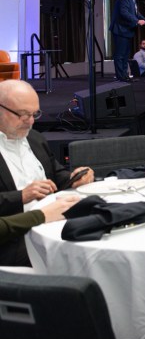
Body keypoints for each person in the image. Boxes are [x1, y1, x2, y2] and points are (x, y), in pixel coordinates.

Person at [0, 80, 94, 265]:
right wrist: (21, 196)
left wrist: (75, 178)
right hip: (14, 238)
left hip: (53, 221)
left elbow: (56, 175)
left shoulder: (34, 138)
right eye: (22, 114)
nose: (30, 121)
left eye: (34, 114)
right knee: (82, 257)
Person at [110, 0, 145, 82]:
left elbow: (136, 13)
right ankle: (120, 77)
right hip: (121, 30)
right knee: (120, 55)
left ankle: (125, 75)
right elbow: (124, 12)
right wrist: (137, 21)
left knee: (125, 55)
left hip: (127, 31)